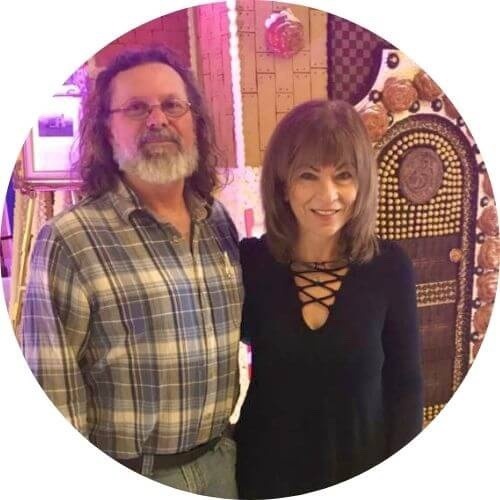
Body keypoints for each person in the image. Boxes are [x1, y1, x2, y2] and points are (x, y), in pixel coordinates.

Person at [20, 47, 242, 498]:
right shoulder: (70, 239)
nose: (158, 120)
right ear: (106, 128)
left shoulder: (216, 221)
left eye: (172, 105)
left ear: (195, 121)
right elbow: (53, 397)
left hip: (223, 465)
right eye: (137, 108)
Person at [235, 100, 423, 499]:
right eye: (308, 175)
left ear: (362, 183)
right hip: (265, 476)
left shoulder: (390, 267)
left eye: (343, 175)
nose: (329, 195)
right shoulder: (251, 263)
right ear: (283, 184)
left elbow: (406, 389)